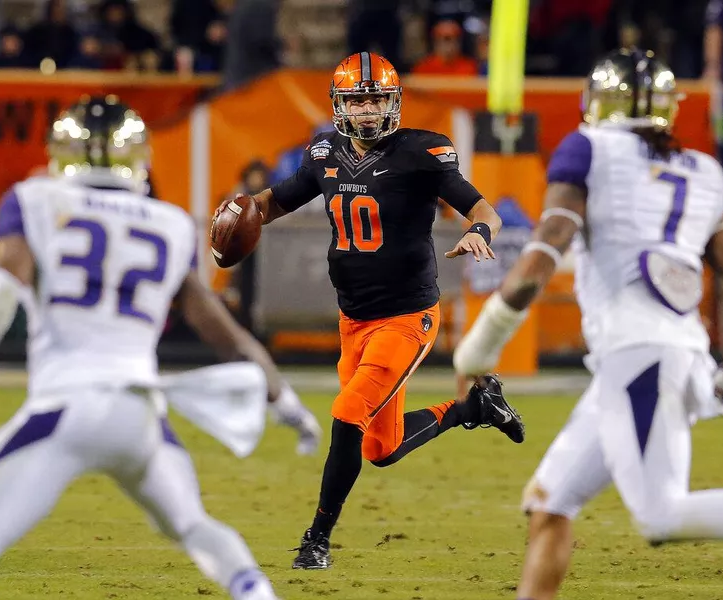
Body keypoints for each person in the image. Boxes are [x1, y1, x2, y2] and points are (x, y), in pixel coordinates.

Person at [453, 48, 723, 600]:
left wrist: (476, 351)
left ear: (598, 101)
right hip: (660, 354)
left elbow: (538, 262)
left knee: (660, 516)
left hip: (641, 355)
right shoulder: (702, 170)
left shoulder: (588, 148)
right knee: (549, 500)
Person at [0, 96, 318, 600]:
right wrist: (284, 400)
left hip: (65, 408)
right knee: (193, 526)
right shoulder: (170, 223)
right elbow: (223, 333)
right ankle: (255, 591)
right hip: (140, 414)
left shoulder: (35, 200)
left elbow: (1, 293)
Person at [215, 51, 526, 570]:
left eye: (376, 99)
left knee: (345, 413)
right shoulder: (324, 152)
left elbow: (482, 209)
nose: (365, 110)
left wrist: (477, 231)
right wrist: (241, 213)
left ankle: (316, 539)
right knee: (381, 448)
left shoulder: (423, 151)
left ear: (393, 102)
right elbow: (275, 202)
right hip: (353, 319)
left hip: (407, 318)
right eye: (357, 100)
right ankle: (475, 408)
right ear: (340, 104)